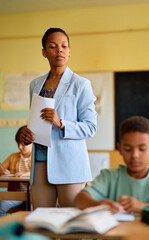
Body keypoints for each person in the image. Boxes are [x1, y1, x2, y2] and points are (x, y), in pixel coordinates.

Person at [20, 27, 97, 208]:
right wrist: (27, 133)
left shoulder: (81, 84)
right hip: (40, 162)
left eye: (64, 46)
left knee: (71, 223)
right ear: (44, 52)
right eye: (53, 46)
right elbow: (37, 120)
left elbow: (90, 127)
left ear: (69, 52)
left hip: (69, 164)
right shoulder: (35, 85)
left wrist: (60, 123)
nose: (59, 50)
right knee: (42, 222)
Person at [74, 116, 149, 214]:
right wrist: (99, 205)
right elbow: (80, 199)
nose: (135, 155)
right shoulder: (109, 177)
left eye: (142, 149)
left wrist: (144, 207)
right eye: (127, 148)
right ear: (120, 148)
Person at [0, 125, 32, 217]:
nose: (20, 147)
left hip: (33, 195)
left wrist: (26, 173)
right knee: (0, 207)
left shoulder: (38, 158)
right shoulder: (13, 157)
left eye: (23, 144)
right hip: (15, 196)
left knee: (35, 209)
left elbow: (42, 173)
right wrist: (2, 171)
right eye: (18, 143)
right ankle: (4, 230)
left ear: (32, 143)